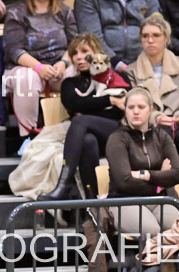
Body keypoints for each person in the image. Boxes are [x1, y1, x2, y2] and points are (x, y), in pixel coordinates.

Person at [39, 34, 124, 200]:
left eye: (84, 51)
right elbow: (74, 104)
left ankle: (63, 186)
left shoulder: (116, 78)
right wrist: (109, 100)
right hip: (92, 139)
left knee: (80, 120)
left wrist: (88, 108)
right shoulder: (69, 83)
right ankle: (92, 202)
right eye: (74, 54)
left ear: (97, 52)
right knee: (87, 140)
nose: (79, 57)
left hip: (116, 132)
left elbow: (119, 111)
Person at [105, 87, 179, 235]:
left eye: (141, 107)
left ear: (151, 109)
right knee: (151, 230)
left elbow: (176, 174)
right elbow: (124, 181)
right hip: (125, 201)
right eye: (131, 107)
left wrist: (146, 175)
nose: (136, 111)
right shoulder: (117, 139)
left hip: (159, 200)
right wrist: (160, 183)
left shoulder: (161, 136)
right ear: (125, 110)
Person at [128, 13, 179, 161]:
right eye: (145, 36)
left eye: (156, 35)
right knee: (161, 135)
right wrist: (155, 117)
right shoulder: (131, 71)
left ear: (166, 38)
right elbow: (132, 107)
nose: (150, 40)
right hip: (150, 127)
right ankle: (165, 176)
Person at [1, 0, 77, 142]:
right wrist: (38, 67)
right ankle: (28, 137)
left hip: (58, 67)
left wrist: (64, 63)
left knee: (77, 73)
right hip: (26, 66)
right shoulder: (16, 12)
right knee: (26, 78)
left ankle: (75, 132)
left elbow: (75, 44)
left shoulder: (64, 11)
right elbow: (14, 50)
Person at [74, 0, 160, 71]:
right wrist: (116, 63)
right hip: (105, 64)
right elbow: (92, 37)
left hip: (146, 61)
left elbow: (157, 30)